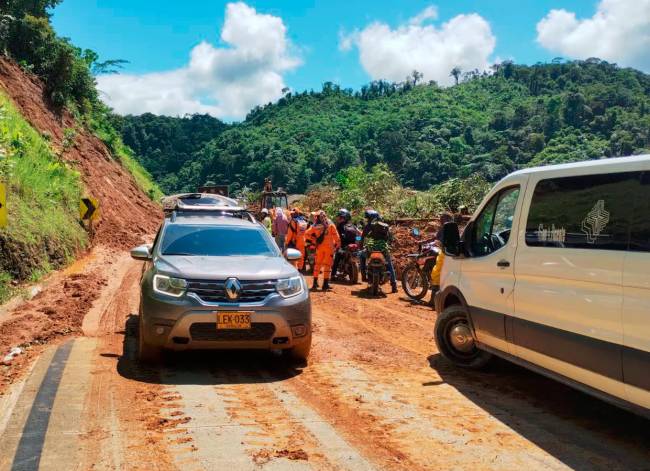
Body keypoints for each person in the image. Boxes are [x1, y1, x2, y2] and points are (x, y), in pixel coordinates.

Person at [359, 209, 398, 293]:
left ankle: (363, 275)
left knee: (361, 256)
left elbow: (362, 239)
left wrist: (361, 247)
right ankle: (394, 284)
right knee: (389, 264)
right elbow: (391, 238)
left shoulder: (368, 227)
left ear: (370, 218)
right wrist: (389, 245)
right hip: (383, 250)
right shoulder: (385, 226)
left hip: (371, 250)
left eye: (367, 218)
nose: (367, 220)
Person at [305, 210, 340, 291]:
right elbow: (336, 236)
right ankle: (325, 284)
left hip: (319, 248)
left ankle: (315, 283)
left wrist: (314, 240)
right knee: (327, 265)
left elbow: (306, 234)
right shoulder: (330, 224)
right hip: (329, 248)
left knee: (317, 265)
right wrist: (337, 245)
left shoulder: (315, 225)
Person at [427, 212, 453, 304]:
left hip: (445, 253)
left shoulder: (446, 227)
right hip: (451, 254)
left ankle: (433, 301)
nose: (440, 220)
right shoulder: (452, 227)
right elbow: (436, 238)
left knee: (435, 274)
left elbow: (439, 240)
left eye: (441, 219)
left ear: (445, 219)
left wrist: (434, 243)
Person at [332, 208, 360, 279]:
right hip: (354, 246)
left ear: (342, 218)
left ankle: (333, 274)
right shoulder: (353, 225)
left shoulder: (339, 226)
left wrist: (335, 244)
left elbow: (336, 236)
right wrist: (357, 242)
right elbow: (359, 234)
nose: (338, 218)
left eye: (340, 217)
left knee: (336, 258)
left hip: (343, 246)